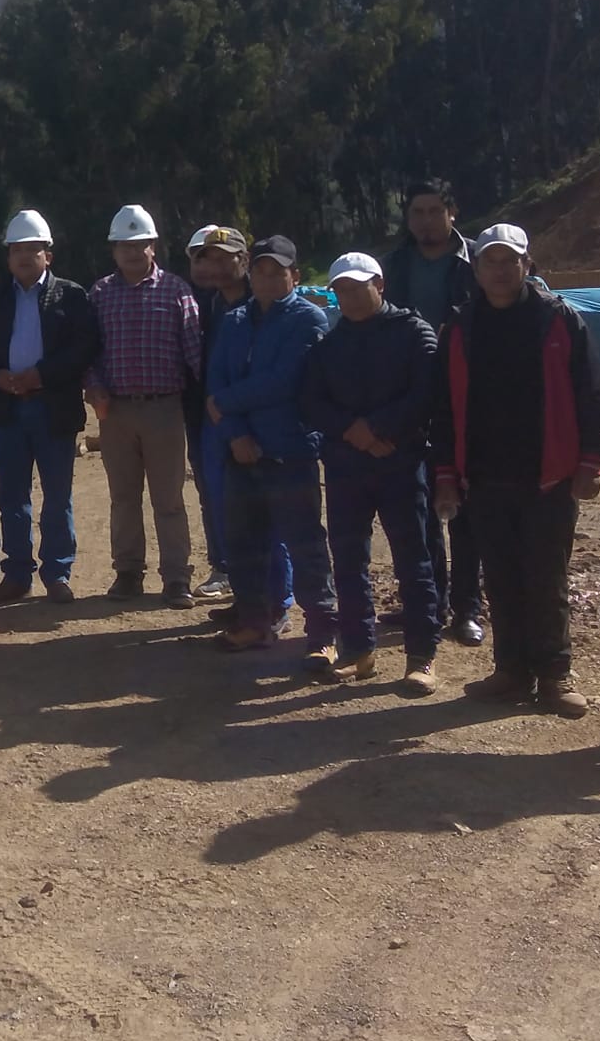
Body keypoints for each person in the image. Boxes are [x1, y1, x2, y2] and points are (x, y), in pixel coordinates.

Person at [431, 225, 600, 718]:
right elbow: (444, 410)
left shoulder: (560, 321)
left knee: (546, 577)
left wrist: (590, 462)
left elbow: (593, 396)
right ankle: (511, 669)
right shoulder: (461, 328)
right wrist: (447, 474)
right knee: (502, 576)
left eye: (510, 260)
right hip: (485, 477)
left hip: (548, 477)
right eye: (490, 260)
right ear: (476, 268)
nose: (500, 269)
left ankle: (554, 674)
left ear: (527, 265)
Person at [297, 253, 441, 692]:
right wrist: (352, 431)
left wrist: (379, 428)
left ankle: (422, 656)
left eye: (359, 287)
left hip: (401, 461)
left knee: (413, 561)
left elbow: (428, 391)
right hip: (346, 466)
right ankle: (358, 649)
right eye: (341, 289)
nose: (350, 296)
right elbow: (310, 401)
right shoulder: (328, 345)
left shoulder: (413, 332)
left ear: (380, 284)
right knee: (348, 560)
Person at [204, 237, 332, 653]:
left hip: (289, 451)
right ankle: (254, 622)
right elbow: (217, 379)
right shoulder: (235, 320)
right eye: (260, 270)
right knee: (244, 546)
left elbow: (285, 380)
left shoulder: (309, 320)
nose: (267, 278)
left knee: (305, 547)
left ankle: (323, 635)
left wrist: (225, 403)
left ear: (294, 275)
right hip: (240, 454)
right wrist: (235, 433)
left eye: (277, 271)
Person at [0, 210, 100, 603]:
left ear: (48, 255)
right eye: (18, 250)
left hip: (52, 408)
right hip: (8, 411)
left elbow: (84, 347)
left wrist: (41, 375)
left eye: (33, 249)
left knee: (58, 495)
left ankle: (57, 573)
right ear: (8, 257)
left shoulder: (72, 296)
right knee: (13, 497)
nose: (25, 257)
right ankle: (18, 573)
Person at [86, 204, 205, 608]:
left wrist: (208, 397)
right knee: (123, 496)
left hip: (164, 409)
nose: (133, 252)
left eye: (140, 245)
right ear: (113, 250)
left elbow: (194, 350)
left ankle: (176, 578)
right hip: (115, 411)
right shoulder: (100, 294)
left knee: (168, 498)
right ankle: (128, 572)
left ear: (153, 246)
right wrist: (95, 387)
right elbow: (90, 352)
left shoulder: (176, 290)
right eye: (124, 246)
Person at [382, 181, 485, 647]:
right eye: (417, 211)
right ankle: (428, 602)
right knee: (418, 508)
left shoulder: (480, 261)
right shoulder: (395, 265)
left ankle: (467, 607)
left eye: (433, 210)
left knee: (466, 507)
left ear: (453, 212)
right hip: (413, 398)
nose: (425, 220)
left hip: (468, 396)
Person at [186, 225, 249, 602]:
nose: (216, 268)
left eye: (225, 259)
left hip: (249, 415)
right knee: (215, 493)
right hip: (208, 416)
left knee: (258, 501)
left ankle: (266, 594)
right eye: (208, 259)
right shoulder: (206, 302)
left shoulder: (261, 303)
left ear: (243, 259)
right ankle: (226, 569)